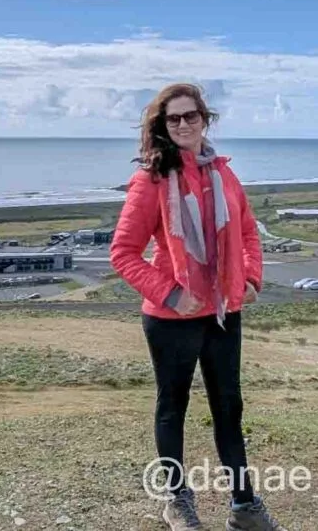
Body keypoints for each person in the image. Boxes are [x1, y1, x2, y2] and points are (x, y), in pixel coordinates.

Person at [110, 83, 287, 531]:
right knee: (173, 407)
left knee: (230, 407)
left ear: (205, 120)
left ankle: (244, 507)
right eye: (174, 118)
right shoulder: (150, 181)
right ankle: (177, 500)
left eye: (192, 116)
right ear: (162, 127)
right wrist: (170, 292)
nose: (184, 124)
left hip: (224, 313)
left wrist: (249, 278)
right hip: (171, 318)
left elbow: (248, 232)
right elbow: (123, 253)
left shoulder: (223, 174)